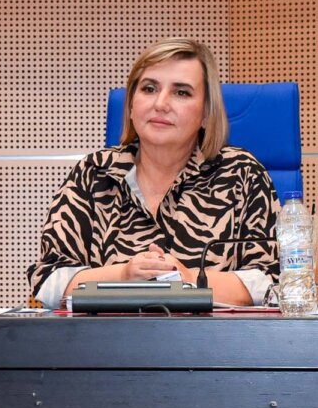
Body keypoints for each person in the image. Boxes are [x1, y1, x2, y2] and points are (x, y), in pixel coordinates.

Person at [29, 39, 278, 307]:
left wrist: (188, 279)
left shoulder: (242, 174)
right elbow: (48, 281)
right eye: (149, 89)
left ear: (206, 113)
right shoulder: (94, 174)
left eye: (181, 92)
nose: (161, 103)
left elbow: (273, 281)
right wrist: (123, 276)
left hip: (211, 334)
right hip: (110, 334)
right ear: (131, 106)